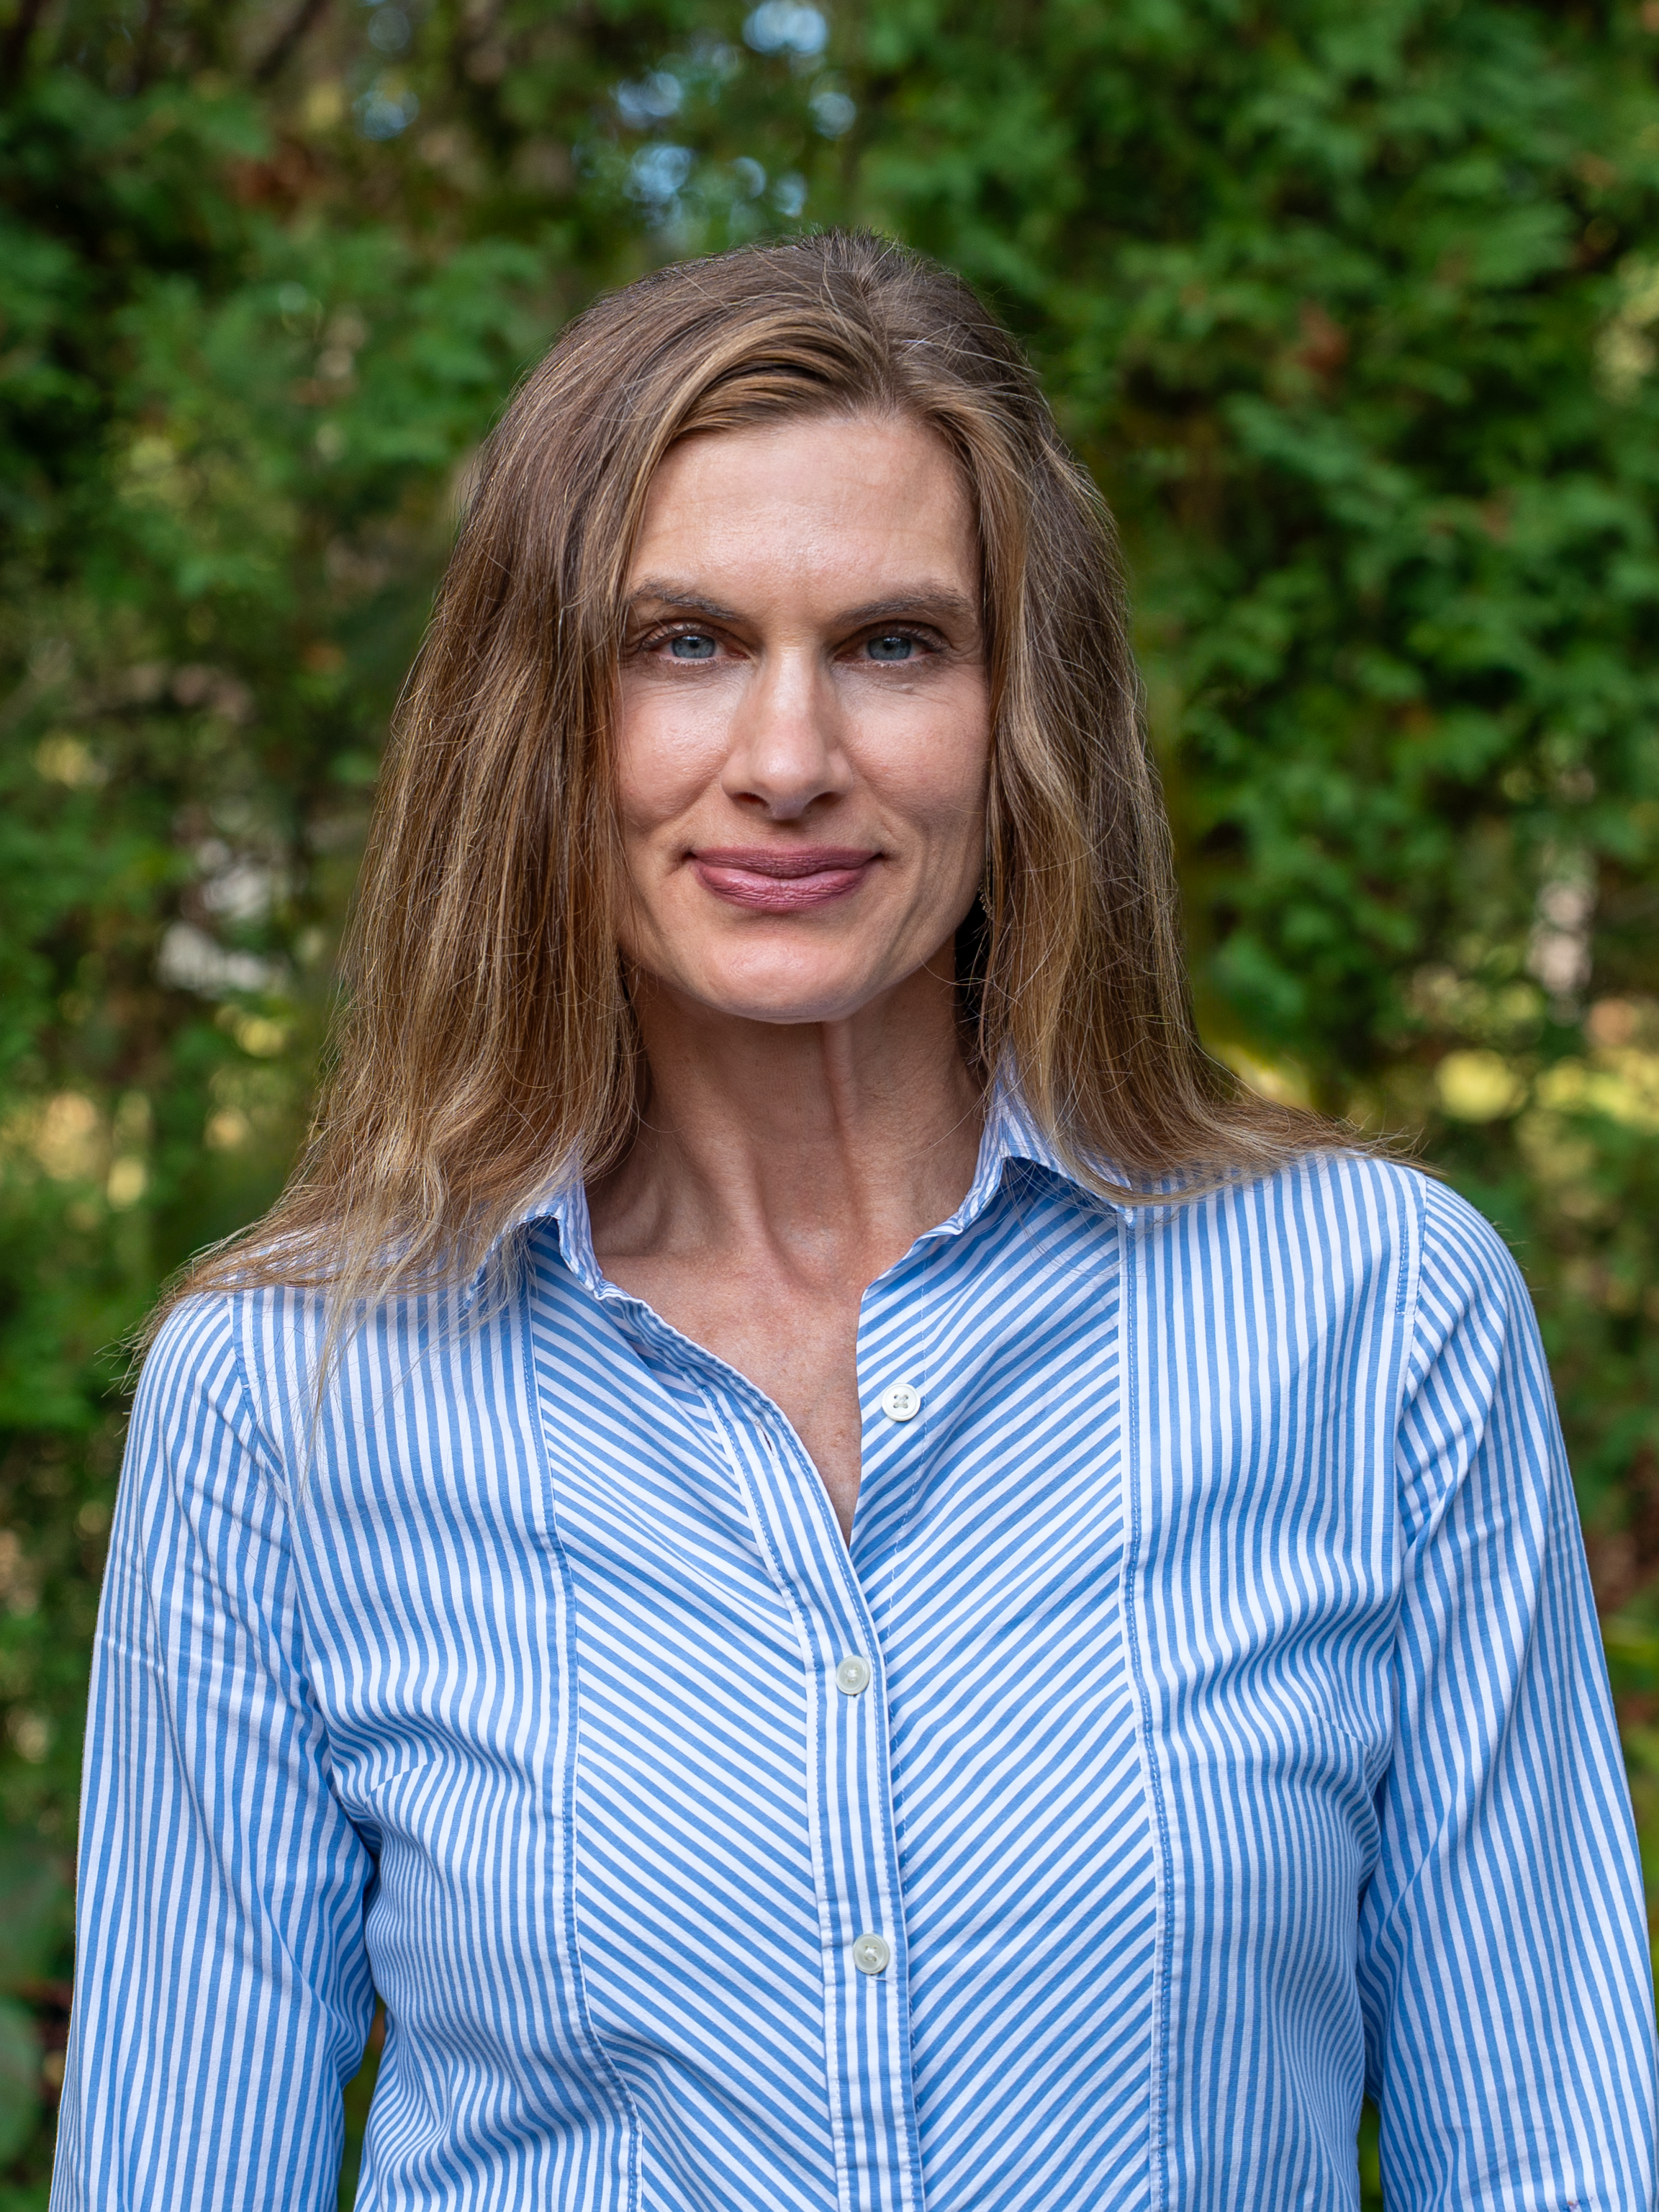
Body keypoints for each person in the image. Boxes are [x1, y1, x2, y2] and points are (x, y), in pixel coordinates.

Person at [51, 233, 1656, 2212]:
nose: (789, 762)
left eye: (895, 644)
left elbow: (1555, 2161)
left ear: (1023, 716)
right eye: (683, 644)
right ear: (540, 725)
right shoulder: (285, 1404)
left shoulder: (1377, 1317)